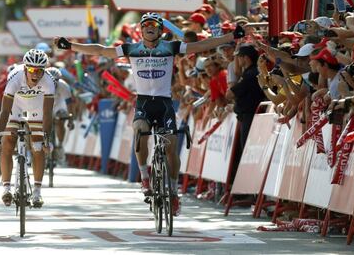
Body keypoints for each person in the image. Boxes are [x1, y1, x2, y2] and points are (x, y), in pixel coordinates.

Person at [53, 12, 245, 216]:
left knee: (170, 147)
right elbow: (101, 50)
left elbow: (200, 46)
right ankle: (145, 177)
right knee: (140, 131)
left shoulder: (169, 47)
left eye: (153, 24)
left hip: (164, 103)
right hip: (144, 102)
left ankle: (172, 191)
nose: (149, 27)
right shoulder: (133, 49)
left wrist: (231, 36)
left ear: (160, 29)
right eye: (145, 25)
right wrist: (71, 45)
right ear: (142, 30)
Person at [0, 49, 55, 208]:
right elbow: (5, 111)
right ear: (25, 68)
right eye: (32, 70)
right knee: (8, 142)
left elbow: (47, 113)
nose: (35, 74)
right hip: (16, 106)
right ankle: (6, 188)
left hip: (36, 107)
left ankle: (37, 192)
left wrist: (47, 138)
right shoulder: (14, 78)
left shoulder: (48, 81)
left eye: (39, 70)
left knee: (38, 146)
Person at [46, 66, 75, 164]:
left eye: (56, 80)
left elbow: (69, 104)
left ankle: (60, 144)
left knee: (60, 120)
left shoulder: (63, 86)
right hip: (44, 105)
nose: (53, 83)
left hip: (58, 105)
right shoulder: (40, 85)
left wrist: (70, 119)